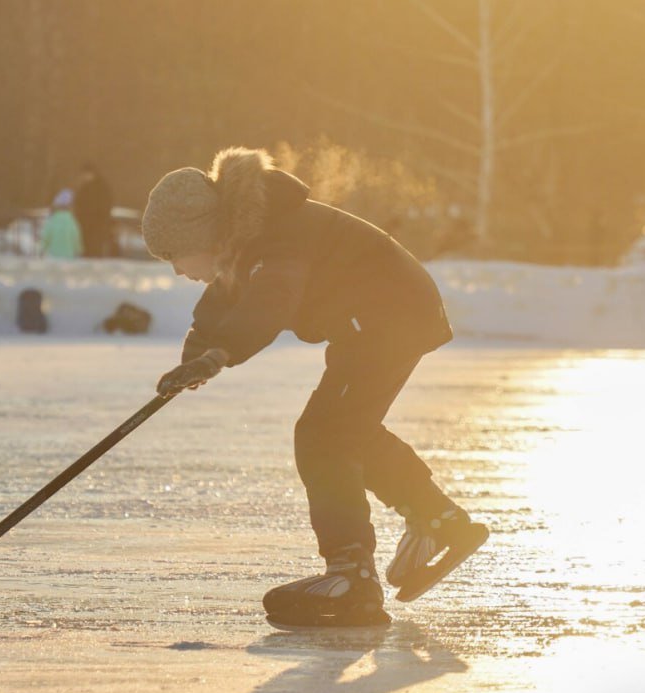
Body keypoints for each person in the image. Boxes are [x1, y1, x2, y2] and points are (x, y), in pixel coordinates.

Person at [141, 146, 488, 628]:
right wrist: (197, 353)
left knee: (325, 435)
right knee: (348, 431)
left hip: (386, 315)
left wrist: (220, 354)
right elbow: (225, 297)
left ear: (204, 233)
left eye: (176, 254)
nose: (177, 269)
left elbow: (270, 300)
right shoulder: (253, 235)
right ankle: (442, 523)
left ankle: (352, 575)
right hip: (384, 315)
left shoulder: (276, 239)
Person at [74, 162, 115, 257]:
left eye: (85, 174)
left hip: (96, 224)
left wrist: (102, 218)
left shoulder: (100, 187)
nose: (83, 177)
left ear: (90, 173)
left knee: (94, 248)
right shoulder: (86, 187)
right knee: (89, 248)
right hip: (87, 224)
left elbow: (106, 205)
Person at [40, 189, 82, 259]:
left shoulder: (52, 221)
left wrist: (42, 251)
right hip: (69, 259)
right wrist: (78, 252)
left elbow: (45, 238)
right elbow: (76, 239)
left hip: (53, 260)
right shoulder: (72, 222)